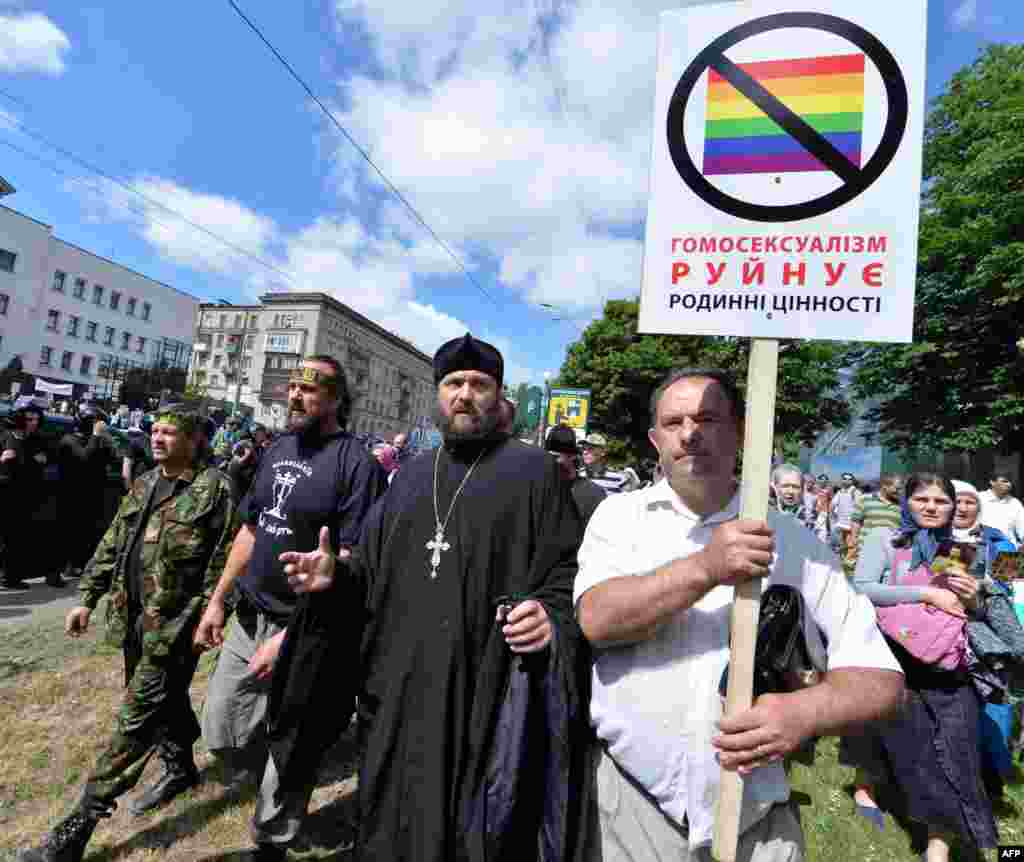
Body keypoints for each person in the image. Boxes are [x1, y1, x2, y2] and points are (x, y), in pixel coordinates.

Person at [273, 334, 591, 862]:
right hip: (399, 692)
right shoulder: (412, 475)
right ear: (437, 396)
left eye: (479, 384)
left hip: (483, 692)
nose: (465, 395)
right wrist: (336, 577)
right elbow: (369, 576)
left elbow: (568, 572)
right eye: (453, 384)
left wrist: (550, 616)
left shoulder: (534, 473)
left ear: (498, 395)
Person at [574, 367, 904, 862]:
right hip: (631, 811)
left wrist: (803, 712)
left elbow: (882, 679)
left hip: (756, 818)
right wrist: (707, 567)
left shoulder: (793, 540)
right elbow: (598, 620)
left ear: (741, 431)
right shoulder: (619, 517)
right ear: (654, 439)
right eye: (674, 422)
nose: (690, 433)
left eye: (708, 418)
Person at [15, 405, 237, 862]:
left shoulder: (214, 490)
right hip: (134, 621)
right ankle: (179, 768)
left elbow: (226, 563)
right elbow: (113, 544)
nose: (157, 439)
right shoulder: (144, 482)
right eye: (154, 431)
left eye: (169, 432)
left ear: (194, 439)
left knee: (134, 722)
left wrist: (210, 614)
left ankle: (73, 832)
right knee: (163, 700)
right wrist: (86, 598)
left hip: (175, 628)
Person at [194, 355, 385, 860]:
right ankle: (280, 780)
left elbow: (349, 559)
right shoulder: (277, 449)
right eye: (292, 386)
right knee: (223, 729)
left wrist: (290, 636)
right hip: (249, 614)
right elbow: (251, 529)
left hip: (306, 628)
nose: (294, 395)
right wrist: (217, 600)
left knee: (292, 741)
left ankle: (272, 839)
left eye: (309, 388)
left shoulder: (357, 465)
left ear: (337, 399)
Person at [848, 474, 997, 862]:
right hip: (896, 661)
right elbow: (861, 586)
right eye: (922, 499)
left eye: (941, 501)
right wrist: (924, 592)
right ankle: (871, 790)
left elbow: (975, 614)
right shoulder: (886, 540)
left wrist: (973, 599)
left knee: (959, 750)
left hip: (949, 664)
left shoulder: (961, 549)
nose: (931, 507)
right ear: (907, 503)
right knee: (917, 753)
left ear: (954, 506)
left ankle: (939, 844)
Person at [53, 409, 118, 585]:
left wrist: (107, 441)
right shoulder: (70, 440)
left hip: (91, 495)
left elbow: (113, 460)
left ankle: (76, 565)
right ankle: (55, 572)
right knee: (65, 534)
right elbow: (84, 457)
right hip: (71, 495)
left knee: (84, 534)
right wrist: (96, 436)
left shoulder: (96, 440)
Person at [0, 404, 49, 589]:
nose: (33, 423)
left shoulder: (36, 440)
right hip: (7, 492)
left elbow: (43, 462)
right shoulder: (8, 435)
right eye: (29, 419)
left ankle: (10, 576)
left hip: (25, 495)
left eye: (36, 419)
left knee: (16, 538)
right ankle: (9, 577)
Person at [546, 423, 606, 525]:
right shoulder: (538, 486)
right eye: (584, 448)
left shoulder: (595, 492)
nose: (585, 452)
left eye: (590, 448)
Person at [846, 473, 903, 567]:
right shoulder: (865, 499)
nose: (899, 492)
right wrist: (853, 538)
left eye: (901, 489)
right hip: (865, 549)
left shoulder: (902, 505)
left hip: (890, 552)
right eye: (897, 488)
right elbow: (856, 520)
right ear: (885, 486)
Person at [979, 472, 1024, 548]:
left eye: (1010, 482)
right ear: (992, 482)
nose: (1009, 485)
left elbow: (1022, 528)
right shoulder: (979, 498)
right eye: (1004, 481)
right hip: (981, 546)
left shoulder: (1015, 503)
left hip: (1007, 550)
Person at [770, 463, 813, 530]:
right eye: (785, 486)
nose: (790, 491)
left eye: (795, 487)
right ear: (775, 487)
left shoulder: (805, 516)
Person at [830, 472, 862, 560]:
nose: (847, 480)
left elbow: (859, 507)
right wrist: (833, 515)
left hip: (851, 524)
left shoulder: (855, 491)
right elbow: (833, 504)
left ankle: (849, 562)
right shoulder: (840, 491)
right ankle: (844, 560)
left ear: (852, 481)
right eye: (845, 478)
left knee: (850, 543)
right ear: (841, 480)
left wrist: (855, 522)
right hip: (841, 522)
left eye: (849, 479)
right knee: (843, 543)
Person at [226, 433, 261, 505]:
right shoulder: (247, 443)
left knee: (235, 490)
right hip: (239, 469)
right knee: (239, 490)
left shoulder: (239, 443)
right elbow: (248, 454)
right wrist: (240, 461)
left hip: (234, 468)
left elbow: (233, 453)